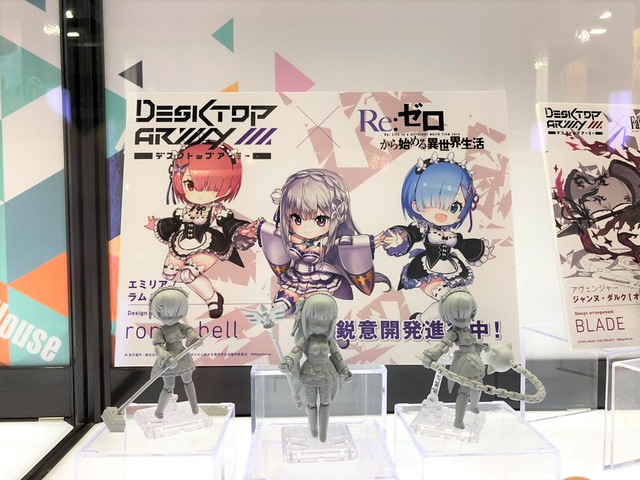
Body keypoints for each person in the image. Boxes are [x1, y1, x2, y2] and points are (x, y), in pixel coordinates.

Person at [146, 142, 256, 318]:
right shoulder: (184, 209)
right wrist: (157, 225)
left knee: (188, 274)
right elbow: (174, 222)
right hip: (182, 242)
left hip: (209, 243)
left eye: (212, 187)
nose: (199, 193)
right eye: (191, 185)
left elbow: (228, 223)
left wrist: (241, 231)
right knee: (169, 273)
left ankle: (212, 299)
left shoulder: (217, 210)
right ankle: (212, 295)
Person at [279, 293, 352, 442]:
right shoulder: (305, 340)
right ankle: (313, 431)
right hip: (309, 374)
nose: (319, 325)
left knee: (326, 402)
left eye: (325, 320)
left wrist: (344, 370)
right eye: (313, 319)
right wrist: (289, 361)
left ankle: (323, 433)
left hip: (327, 374)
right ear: (305, 319)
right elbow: (296, 352)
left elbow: (336, 356)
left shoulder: (329, 340)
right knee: (311, 404)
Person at [148, 286, 203, 419]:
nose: (170, 318)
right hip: (169, 360)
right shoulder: (161, 331)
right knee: (168, 386)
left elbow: (189, 332)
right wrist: (166, 357)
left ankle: (194, 407)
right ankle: (159, 411)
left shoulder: (181, 327)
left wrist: (194, 339)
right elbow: (158, 347)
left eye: (176, 313)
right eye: (165, 314)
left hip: (183, 358)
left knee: (188, 381)